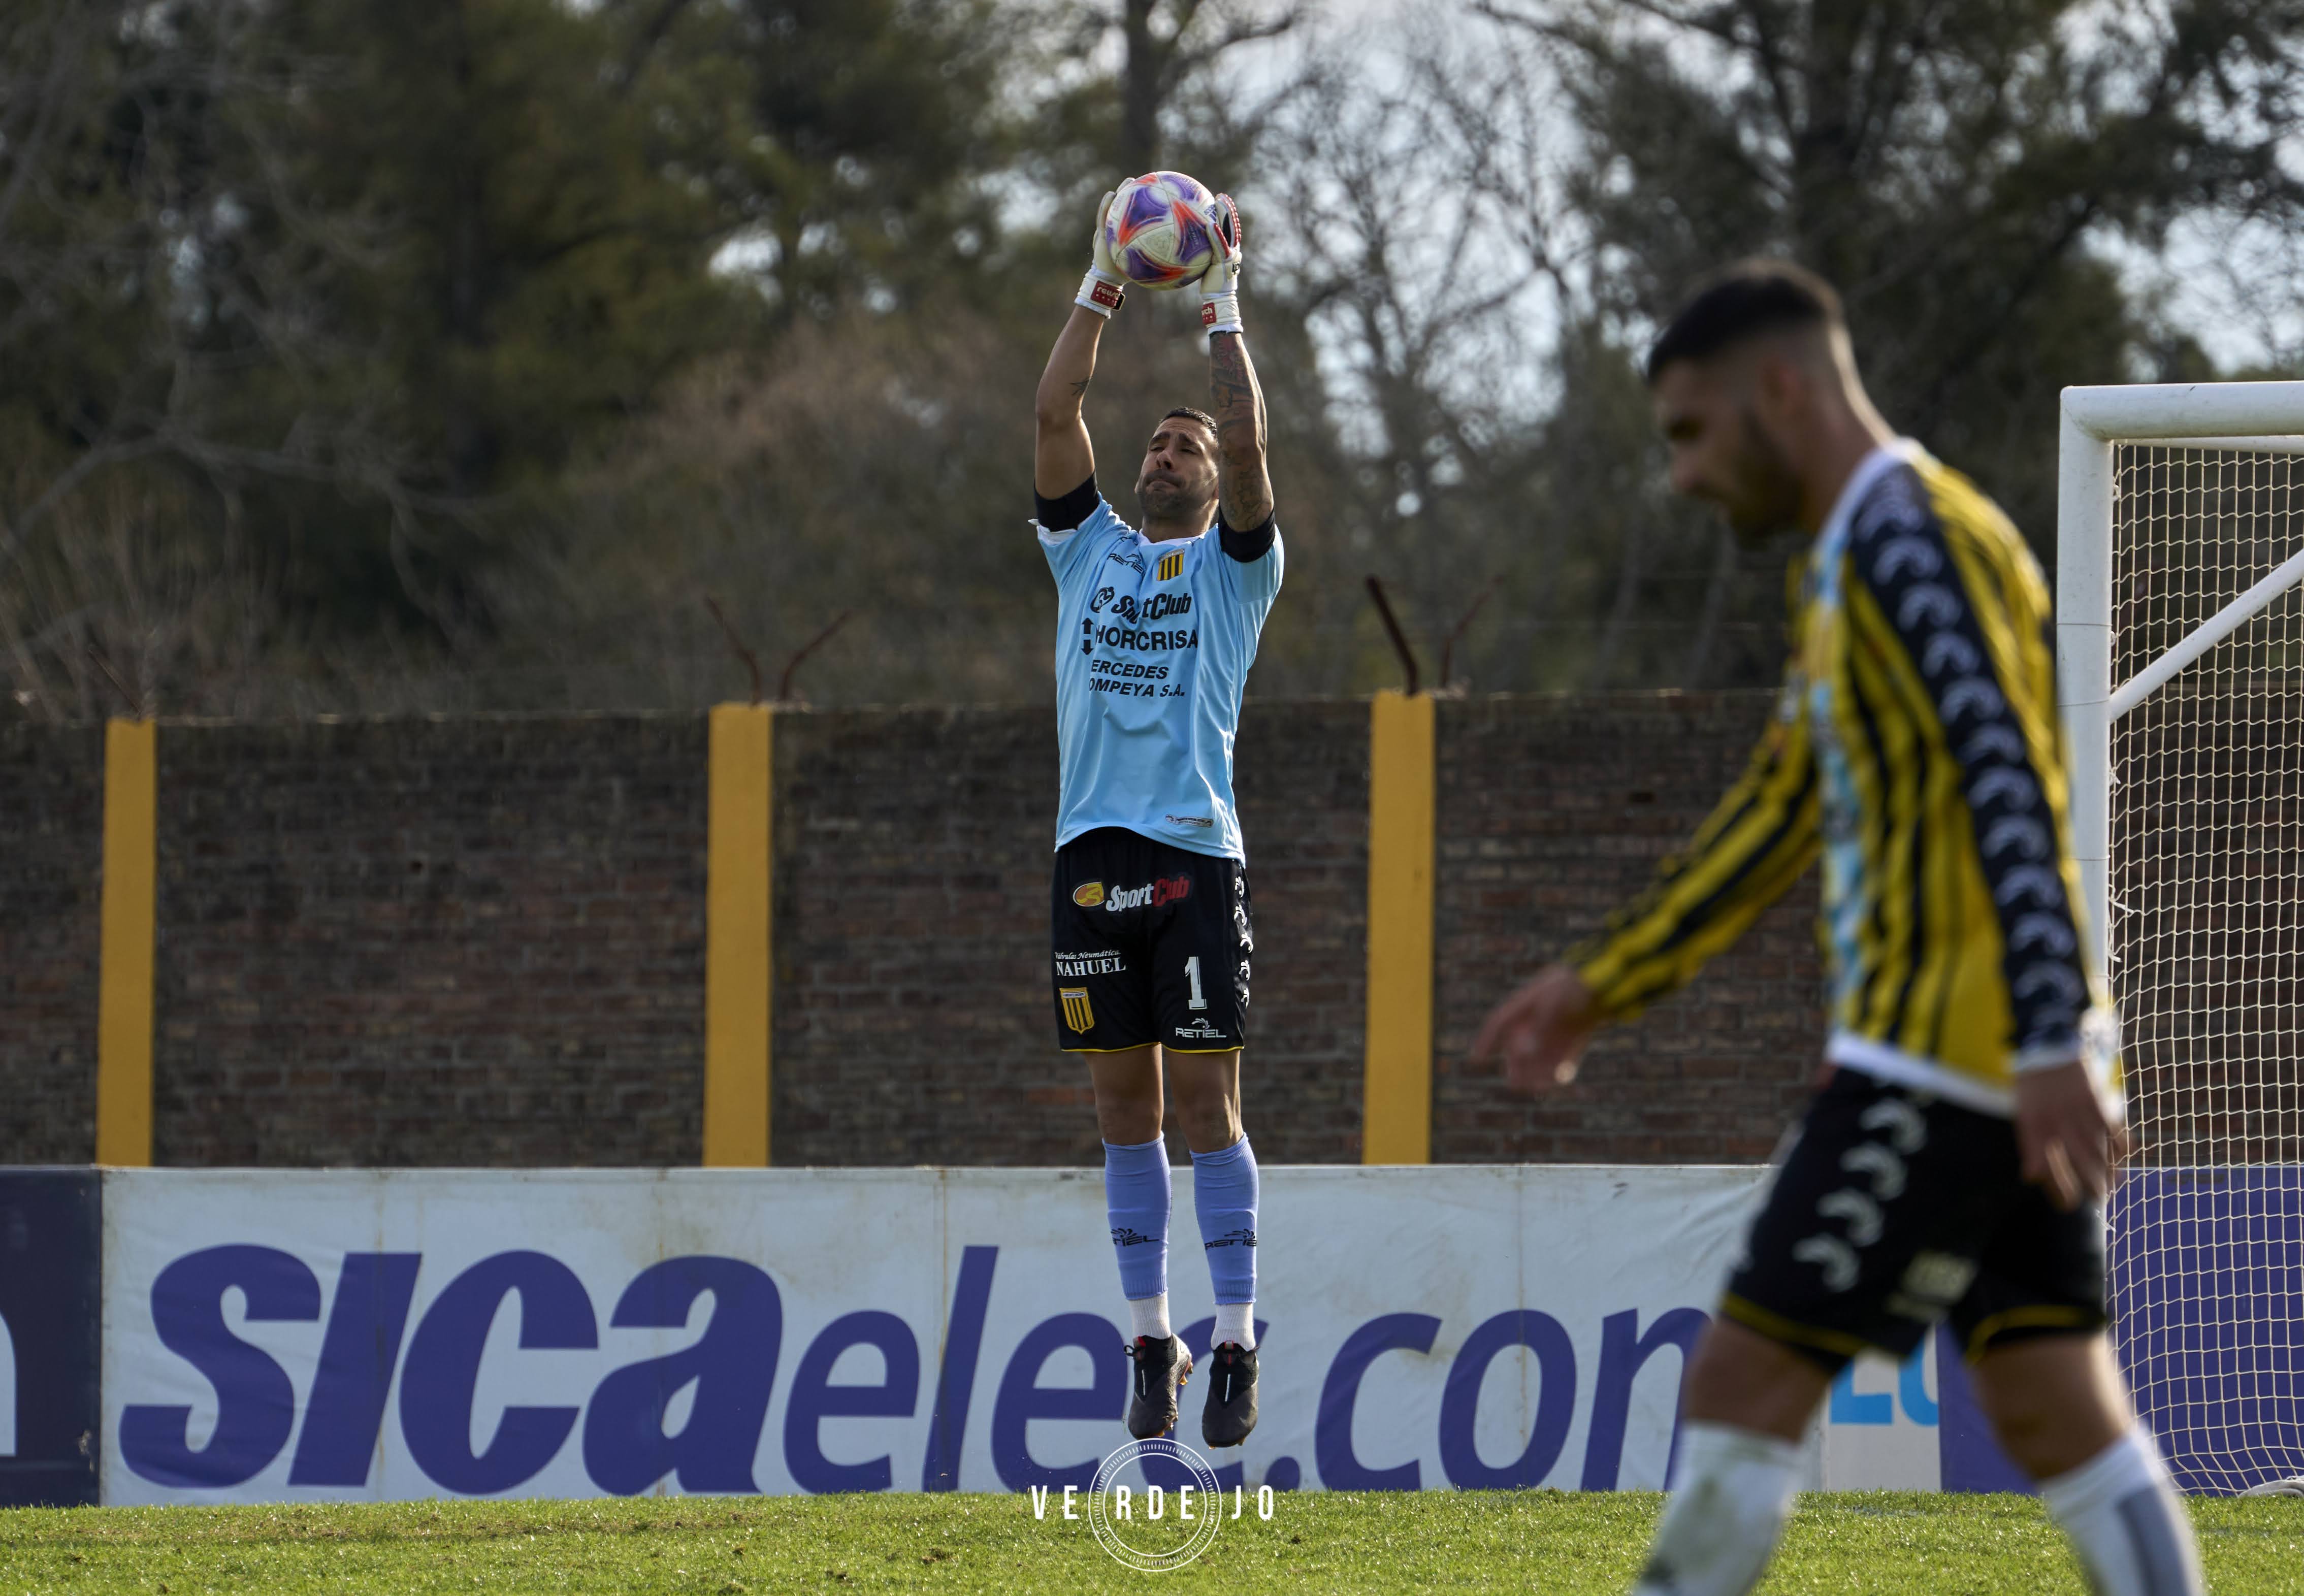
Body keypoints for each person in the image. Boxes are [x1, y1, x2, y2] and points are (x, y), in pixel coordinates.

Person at [1472, 260, 2203, 1596]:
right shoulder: (1851, 558)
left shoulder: (1908, 538)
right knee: (2056, 1413)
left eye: (1691, 433)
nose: (1684, 476)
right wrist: (1600, 985)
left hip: (1942, 1069)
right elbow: (1777, 809)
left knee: (1742, 1380)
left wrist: (2047, 1035)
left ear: (1781, 391)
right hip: (1984, 1066)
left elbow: (2009, 776)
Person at [1032, 183, 1281, 1448]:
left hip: (1194, 856)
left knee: (1206, 1110)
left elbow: (1247, 438)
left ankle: (1236, 1341)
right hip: (1090, 857)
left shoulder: (1238, 569)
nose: (1167, 454)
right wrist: (1102, 280)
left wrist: (1220, 303)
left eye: (1185, 447)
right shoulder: (1088, 551)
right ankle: (1153, 1340)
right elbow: (1052, 410)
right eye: (1159, 447)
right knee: (1122, 1115)